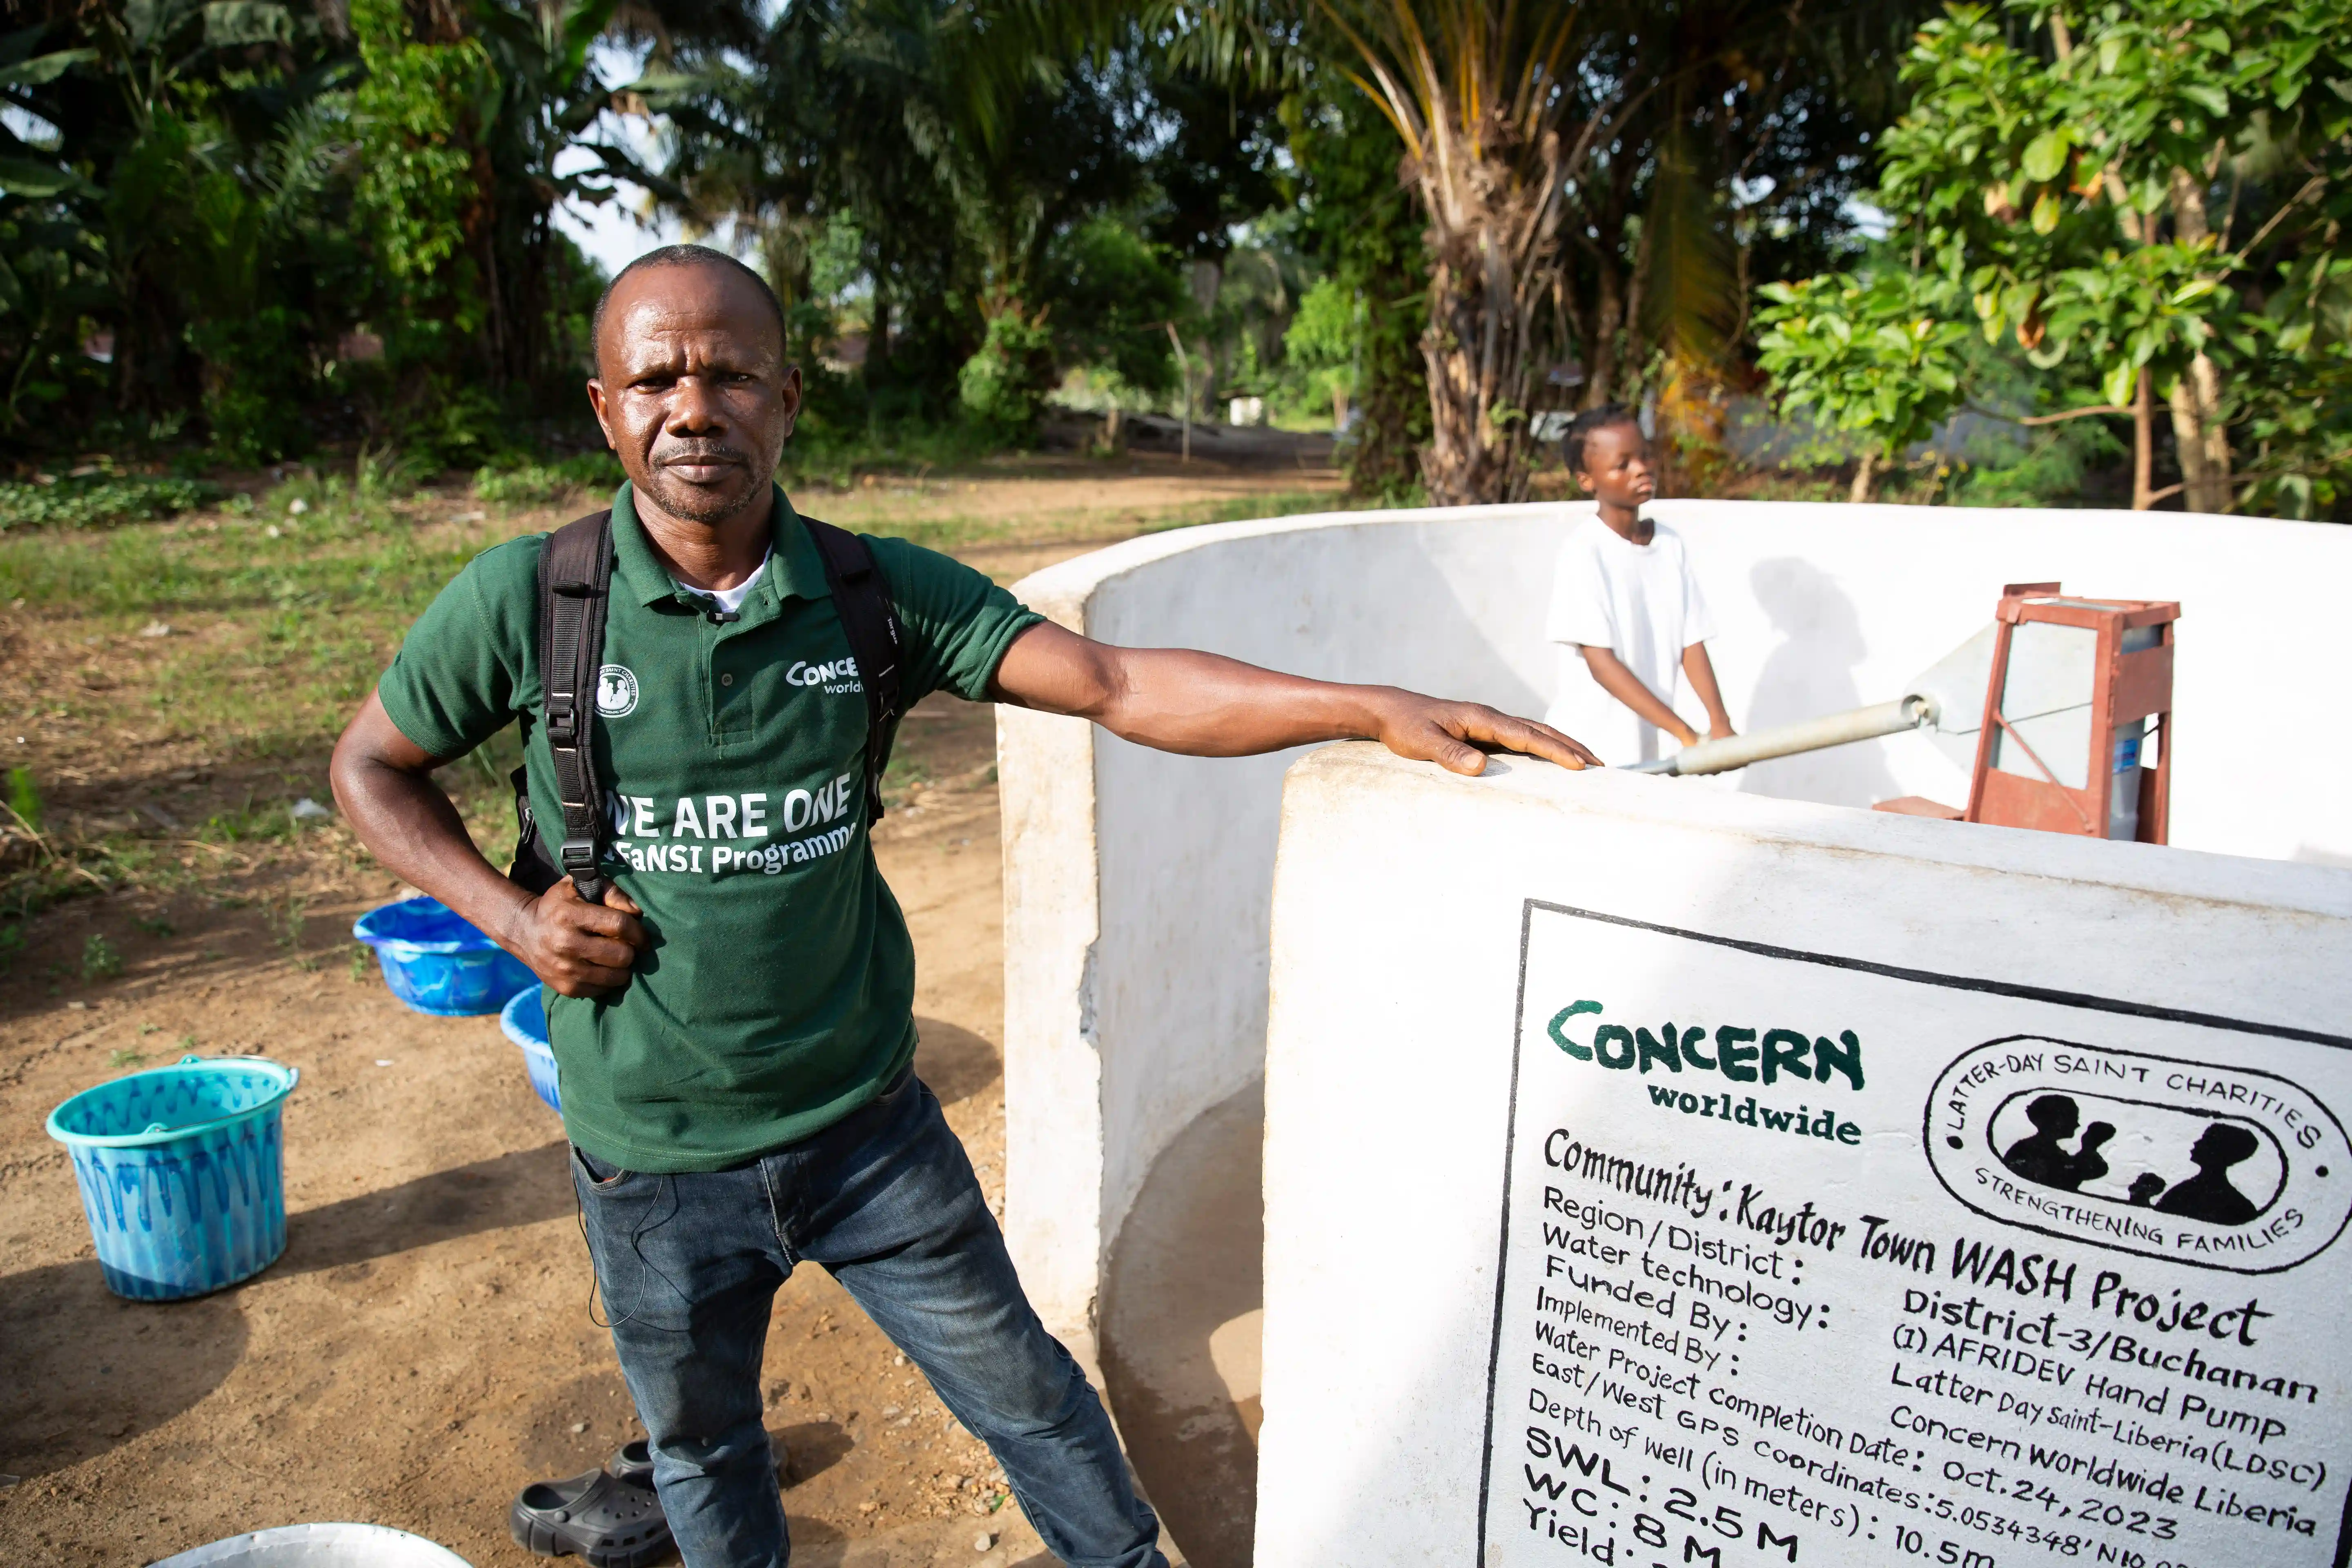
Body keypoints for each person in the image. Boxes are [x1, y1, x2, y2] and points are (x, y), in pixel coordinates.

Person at [328, 244, 1599, 1568]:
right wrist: (511, 918)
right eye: (655, 378)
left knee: (1035, 1400)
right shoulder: (532, 604)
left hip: (869, 1135)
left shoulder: (873, 596)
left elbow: (1113, 679)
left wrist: (1367, 704)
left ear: (788, 398)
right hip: (649, 1157)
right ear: (606, 408)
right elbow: (369, 768)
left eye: (731, 374)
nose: (692, 407)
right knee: (703, 1456)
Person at [1543, 406, 1736, 767]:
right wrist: (1685, 734)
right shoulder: (1584, 551)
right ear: (1587, 480)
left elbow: (1691, 641)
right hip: (1589, 751)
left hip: (1649, 748)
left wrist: (1720, 724)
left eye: (1645, 456)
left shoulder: (1669, 544)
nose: (1642, 468)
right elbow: (1601, 664)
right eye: (1623, 464)